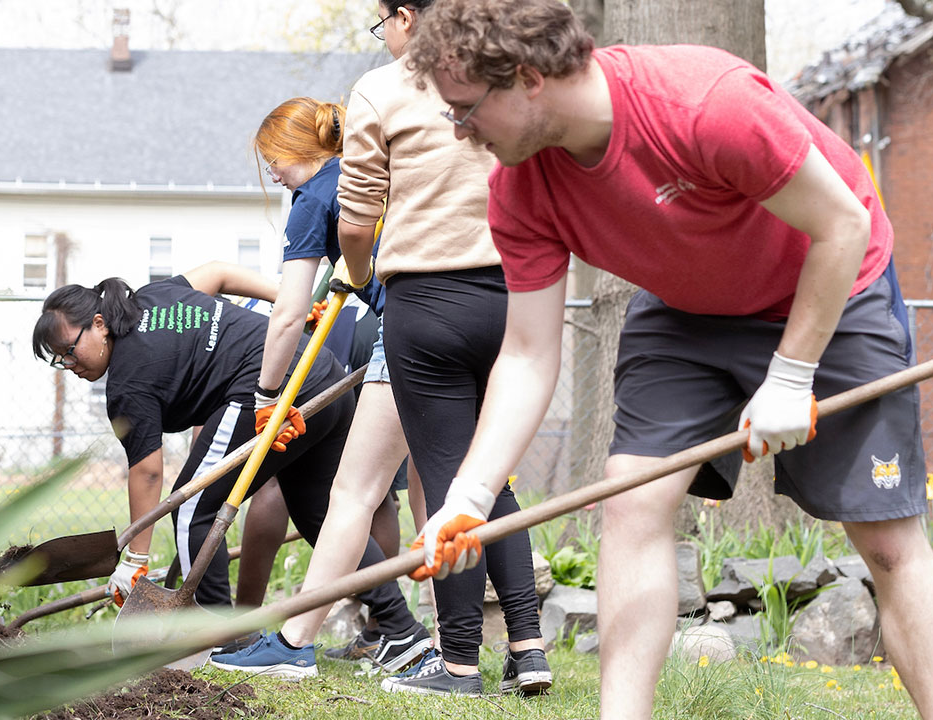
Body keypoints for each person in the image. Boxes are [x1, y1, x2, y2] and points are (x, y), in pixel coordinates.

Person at [400, 1, 933, 718]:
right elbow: (528, 353)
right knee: (632, 499)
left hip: (831, 281)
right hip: (687, 308)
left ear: (526, 77)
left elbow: (843, 224)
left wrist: (791, 375)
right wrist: (469, 497)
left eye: (465, 110)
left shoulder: (703, 104)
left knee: (887, 543)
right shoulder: (521, 191)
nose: (461, 131)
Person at [243, 0, 550, 698]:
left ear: (408, 16)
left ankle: (452, 660)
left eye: (384, 23)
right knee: (487, 477)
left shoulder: (385, 90)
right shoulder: (508, 74)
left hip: (422, 306)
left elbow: (356, 224)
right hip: (512, 294)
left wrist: (361, 273)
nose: (385, 38)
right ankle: (526, 647)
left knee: (424, 485)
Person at [31, 262, 418, 677]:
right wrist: (289, 302)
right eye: (58, 360)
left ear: (99, 324)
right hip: (317, 370)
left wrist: (135, 560)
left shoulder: (128, 380)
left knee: (191, 509)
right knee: (324, 518)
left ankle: (228, 639)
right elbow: (218, 273)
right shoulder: (154, 297)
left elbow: (147, 474)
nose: (68, 364)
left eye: (69, 350)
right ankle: (400, 628)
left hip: (270, 390)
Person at [211, 96, 435, 674]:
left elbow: (286, 313)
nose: (274, 177)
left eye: (273, 164)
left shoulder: (312, 197)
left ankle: (295, 645)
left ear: (294, 152)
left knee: (354, 493)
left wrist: (264, 394)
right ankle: (446, 641)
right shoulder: (361, 178)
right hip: (459, 314)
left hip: (404, 326)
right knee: (401, 488)